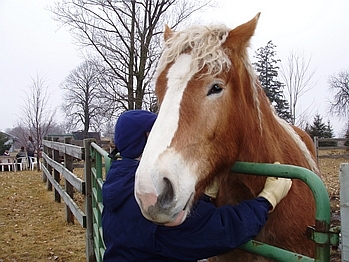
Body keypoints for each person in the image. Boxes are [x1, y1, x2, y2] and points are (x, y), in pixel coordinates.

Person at [102, 110, 292, 262]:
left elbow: (170, 233)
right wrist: (266, 200)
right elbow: (219, 231)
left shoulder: (118, 181)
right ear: (149, 139)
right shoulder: (151, 194)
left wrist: (205, 197)